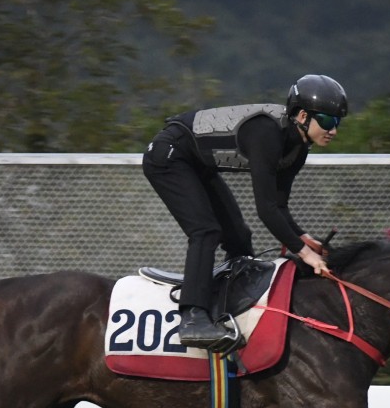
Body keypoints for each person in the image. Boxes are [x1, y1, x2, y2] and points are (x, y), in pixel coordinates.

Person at [143, 74, 347, 349]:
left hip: (197, 164)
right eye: (327, 120)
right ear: (301, 115)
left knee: (239, 236)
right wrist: (305, 252)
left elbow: (278, 206)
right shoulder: (267, 133)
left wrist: (304, 237)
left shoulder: (298, 149)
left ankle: (228, 306)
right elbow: (265, 209)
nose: (333, 129)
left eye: (337, 122)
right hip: (169, 156)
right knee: (206, 231)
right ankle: (193, 318)